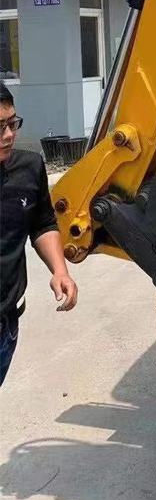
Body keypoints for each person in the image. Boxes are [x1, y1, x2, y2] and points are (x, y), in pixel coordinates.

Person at [0, 81, 78, 386]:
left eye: (12, 123)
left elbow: (42, 223)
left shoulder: (29, 168)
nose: (9, 134)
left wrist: (60, 271)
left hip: (6, 325)